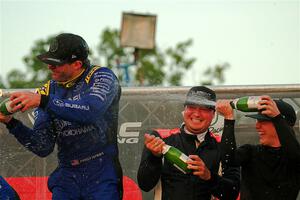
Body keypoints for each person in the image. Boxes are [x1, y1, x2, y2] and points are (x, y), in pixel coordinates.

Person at [0, 33, 123, 200]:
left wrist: (42, 101)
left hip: (101, 172)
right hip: (67, 176)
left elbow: (91, 111)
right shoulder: (48, 90)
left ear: (77, 64)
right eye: (49, 62)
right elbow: (42, 146)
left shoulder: (101, 76)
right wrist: (11, 123)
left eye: (55, 64)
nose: (49, 67)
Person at [137, 86, 240, 200]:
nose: (196, 114)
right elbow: (145, 185)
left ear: (213, 114)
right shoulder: (161, 138)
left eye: (204, 108)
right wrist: (154, 158)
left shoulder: (222, 145)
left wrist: (209, 176)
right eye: (191, 106)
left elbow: (233, 193)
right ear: (184, 109)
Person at [216, 96, 300, 200]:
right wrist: (229, 118)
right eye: (257, 120)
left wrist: (277, 117)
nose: (257, 126)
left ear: (281, 125)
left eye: (263, 121)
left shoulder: (293, 157)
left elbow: (295, 155)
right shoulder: (251, 152)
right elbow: (228, 159)